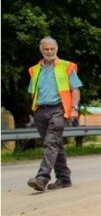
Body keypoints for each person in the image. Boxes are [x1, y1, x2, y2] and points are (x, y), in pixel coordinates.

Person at [27, 36, 83, 192]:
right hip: (40, 111)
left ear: (56, 49)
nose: (49, 51)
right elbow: (33, 92)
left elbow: (75, 89)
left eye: (52, 49)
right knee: (55, 144)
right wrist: (34, 110)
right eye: (46, 49)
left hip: (59, 109)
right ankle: (64, 178)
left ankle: (42, 178)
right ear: (41, 50)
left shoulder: (67, 66)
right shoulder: (34, 70)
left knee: (50, 143)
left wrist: (74, 108)